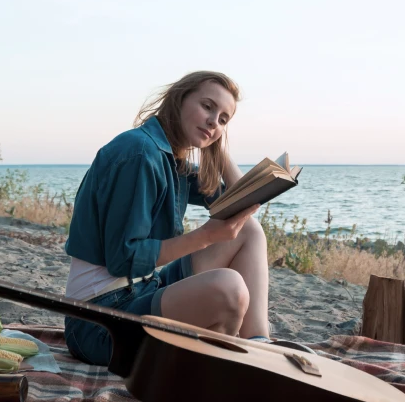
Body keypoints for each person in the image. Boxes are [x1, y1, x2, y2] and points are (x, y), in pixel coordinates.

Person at [62, 70, 271, 366]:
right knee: (229, 289)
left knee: (249, 231)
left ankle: (259, 346)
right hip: (99, 320)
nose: (214, 121)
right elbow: (123, 260)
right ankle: (221, 367)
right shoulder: (139, 153)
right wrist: (205, 236)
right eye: (207, 107)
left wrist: (218, 146)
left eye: (224, 119)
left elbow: (243, 202)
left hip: (144, 289)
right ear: (179, 99)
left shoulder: (171, 158)